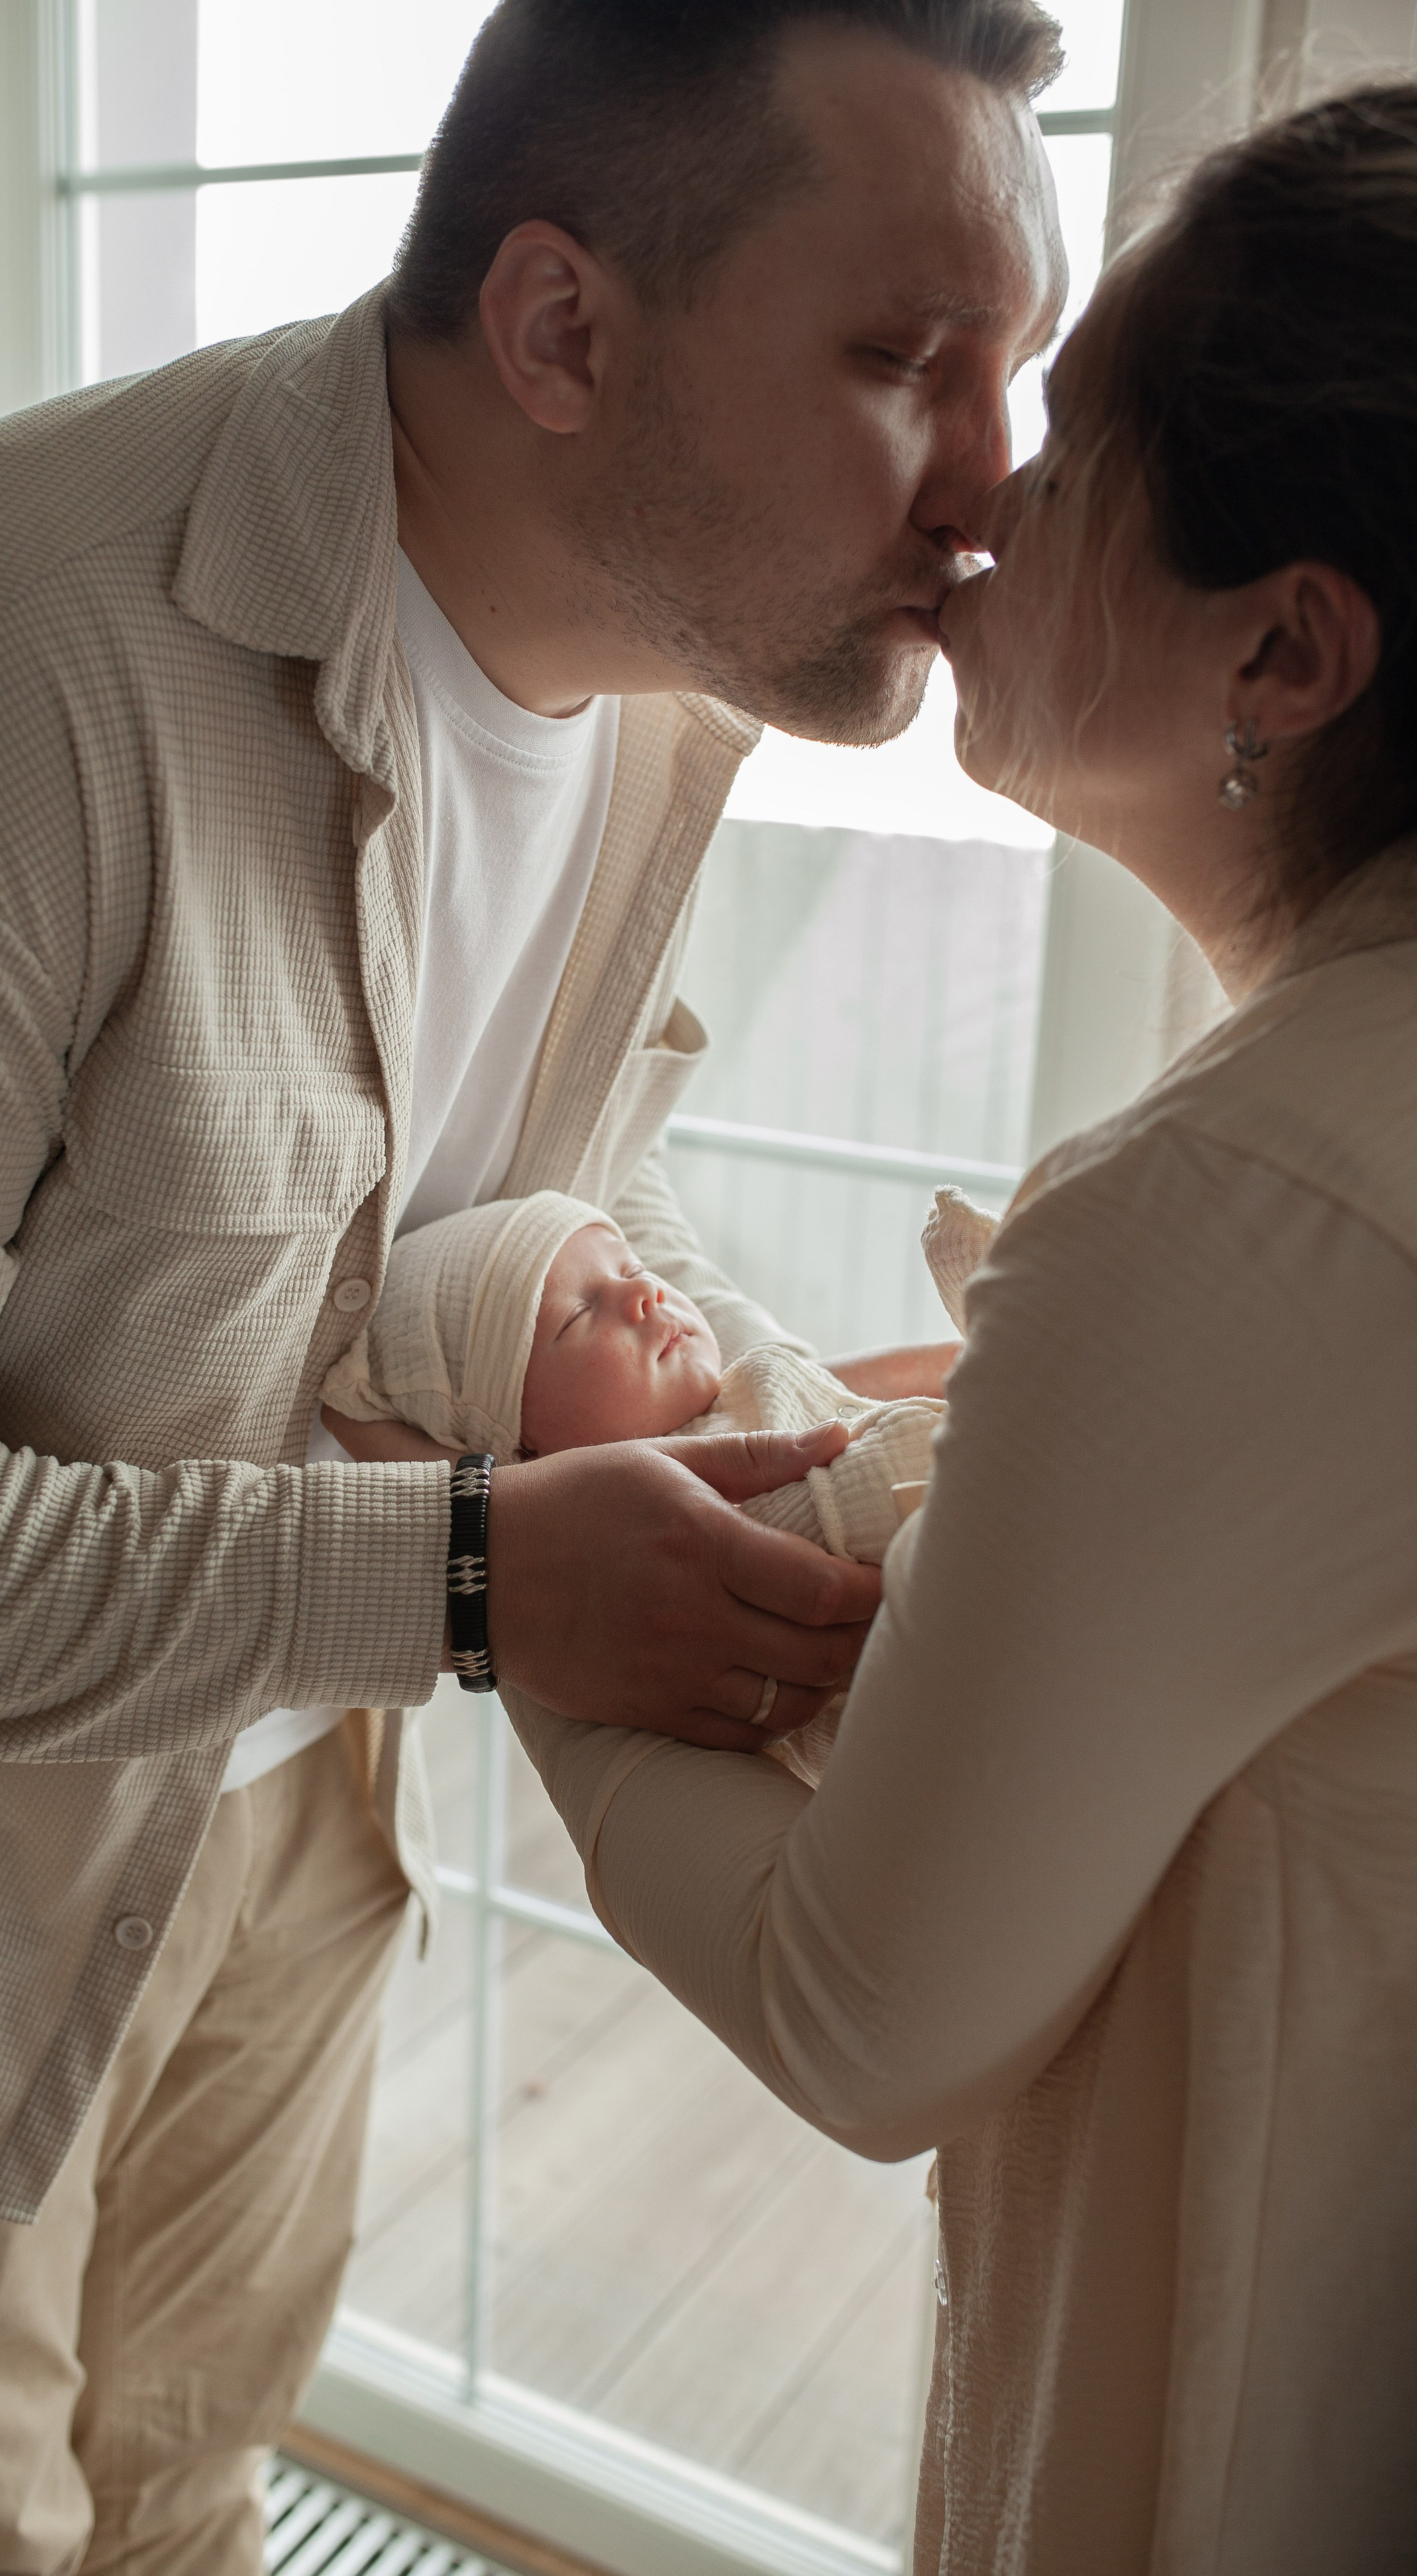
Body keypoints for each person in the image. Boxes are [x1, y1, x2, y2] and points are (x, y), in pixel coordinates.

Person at [0, 1, 1065, 2567]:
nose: (997, 480)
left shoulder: (663, 676)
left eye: (1016, 363)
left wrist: (765, 1427)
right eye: (903, 361)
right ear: (558, 329)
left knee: (193, 2491)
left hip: (301, 1800)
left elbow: (509, 1167)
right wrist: (457, 1578)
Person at [507, 80, 1417, 2576]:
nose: (978, 496)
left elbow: (859, 2019)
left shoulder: (1244, 1197)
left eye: (1071, 423)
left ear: (1287, 645)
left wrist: (545, 1629)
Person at [319, 1187, 981, 1774]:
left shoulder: (752, 1385)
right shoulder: (663, 1554)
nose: (645, 1292)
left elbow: (867, 1401)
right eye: (579, 1316)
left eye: (632, 1267)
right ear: (523, 1450)